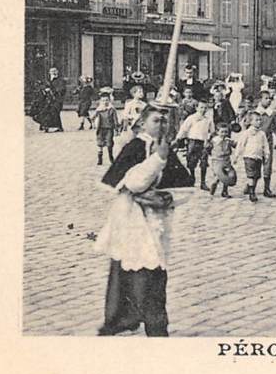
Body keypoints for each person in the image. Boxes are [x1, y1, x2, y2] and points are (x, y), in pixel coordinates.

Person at [95, 105, 193, 337]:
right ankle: (136, 321)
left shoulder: (165, 149)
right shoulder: (135, 147)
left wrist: (166, 198)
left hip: (155, 222)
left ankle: (143, 321)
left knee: (153, 270)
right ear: (142, 123)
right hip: (131, 222)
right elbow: (131, 182)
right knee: (137, 269)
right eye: (157, 121)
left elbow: (185, 186)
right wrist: (157, 160)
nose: (162, 126)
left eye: (165, 122)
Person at [255, 89, 276, 198]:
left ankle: (266, 188)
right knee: (254, 164)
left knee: (267, 165)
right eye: (266, 98)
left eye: (270, 99)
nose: (269, 101)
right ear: (260, 100)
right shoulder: (255, 113)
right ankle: (251, 185)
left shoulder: (273, 115)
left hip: (267, 143)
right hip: (255, 143)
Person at [175, 100, 214, 191]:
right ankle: (192, 178)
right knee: (191, 162)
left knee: (204, 162)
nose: (203, 109)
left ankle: (203, 182)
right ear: (197, 108)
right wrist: (178, 139)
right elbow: (184, 129)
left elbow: (212, 131)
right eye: (201, 107)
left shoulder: (208, 119)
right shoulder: (191, 118)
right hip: (192, 142)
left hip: (203, 142)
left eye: (205, 108)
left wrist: (209, 140)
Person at [233, 112, 270, 203]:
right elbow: (241, 145)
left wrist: (267, 154)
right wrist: (236, 156)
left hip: (258, 157)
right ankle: (252, 193)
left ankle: (250, 187)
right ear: (250, 122)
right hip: (249, 156)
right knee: (251, 175)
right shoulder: (246, 133)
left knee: (257, 175)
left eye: (260, 120)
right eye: (256, 120)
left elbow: (265, 144)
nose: (259, 122)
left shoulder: (262, 134)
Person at [207, 123, 237, 198]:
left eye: (226, 132)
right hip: (217, 161)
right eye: (222, 132)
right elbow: (208, 148)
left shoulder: (228, 140)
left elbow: (235, 145)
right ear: (217, 132)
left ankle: (225, 191)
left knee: (228, 175)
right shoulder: (214, 141)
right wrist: (212, 154)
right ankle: (212, 189)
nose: (224, 134)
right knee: (218, 177)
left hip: (226, 160)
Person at [92, 92, 119, 165]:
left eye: (107, 100)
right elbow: (93, 118)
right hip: (100, 129)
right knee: (100, 143)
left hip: (109, 128)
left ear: (109, 101)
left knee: (109, 143)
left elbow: (115, 119)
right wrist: (94, 122)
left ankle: (111, 156)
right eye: (103, 100)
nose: (105, 102)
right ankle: (100, 158)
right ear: (100, 101)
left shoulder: (112, 109)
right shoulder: (99, 110)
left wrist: (116, 129)